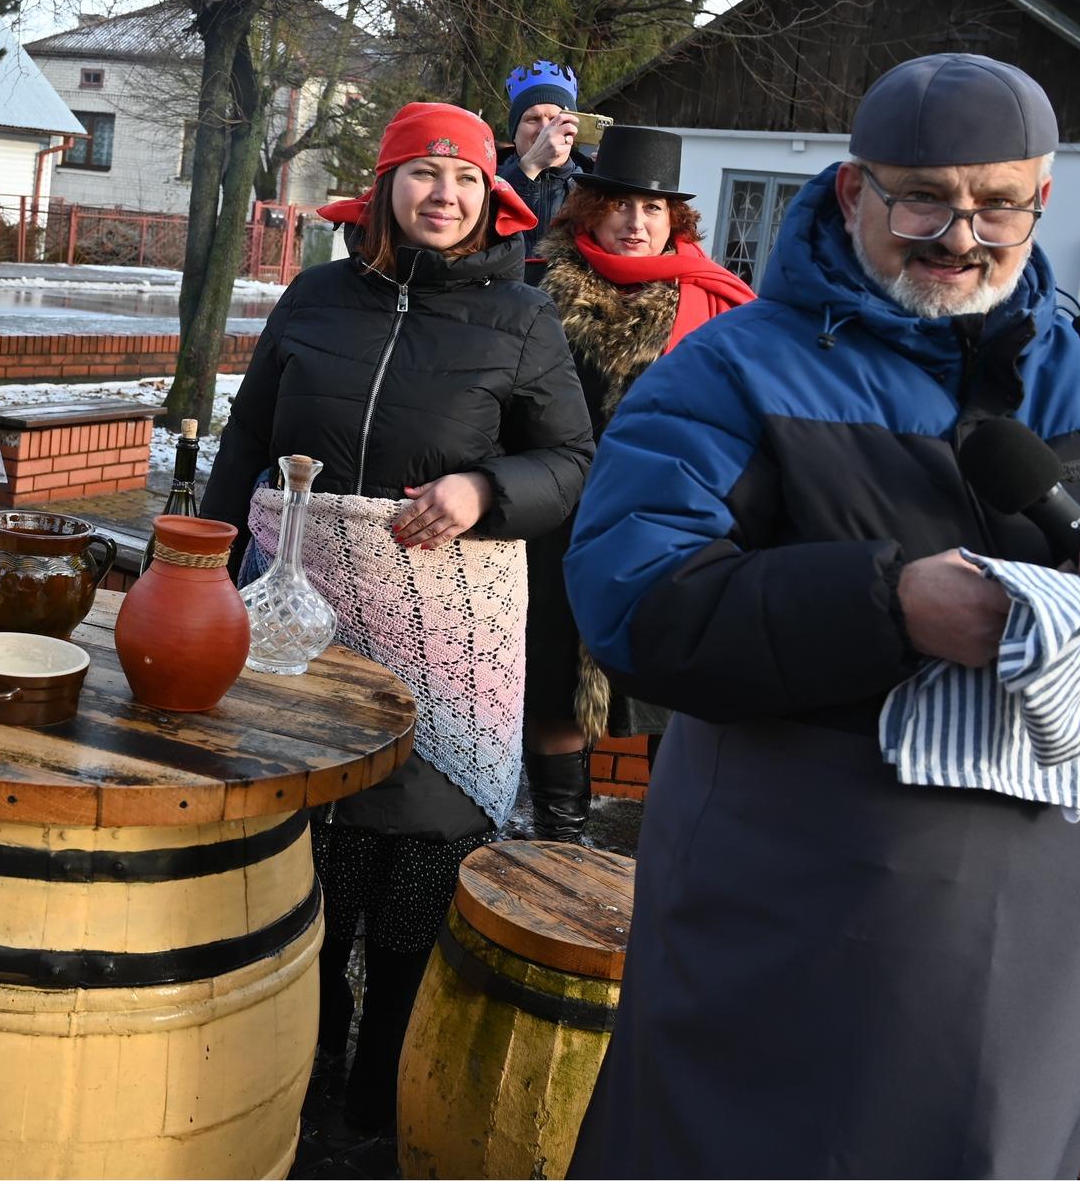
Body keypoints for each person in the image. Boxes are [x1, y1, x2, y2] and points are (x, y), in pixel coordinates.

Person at [562, 53, 1080, 1178]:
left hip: (1058, 919)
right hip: (794, 892)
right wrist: (887, 605)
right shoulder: (727, 373)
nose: (960, 238)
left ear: (1041, 200)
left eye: (997, 204)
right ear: (852, 191)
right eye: (922, 198)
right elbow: (629, 600)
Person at [202, 101, 593, 1132]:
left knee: (416, 870)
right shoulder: (314, 298)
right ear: (383, 188)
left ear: (489, 198)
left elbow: (570, 461)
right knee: (310, 864)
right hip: (300, 627)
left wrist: (482, 489)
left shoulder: (521, 317)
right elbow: (246, 442)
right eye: (423, 172)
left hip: (445, 640)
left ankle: (384, 1089)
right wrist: (195, 565)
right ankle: (295, 1070)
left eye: (465, 179)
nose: (443, 194)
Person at [520, 126, 753, 841]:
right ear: (589, 209)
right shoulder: (536, 290)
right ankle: (560, 836)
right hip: (558, 521)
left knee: (670, 695)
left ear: (673, 219)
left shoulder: (714, 302)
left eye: (653, 208)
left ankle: (668, 845)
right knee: (556, 687)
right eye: (620, 204)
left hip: (670, 527)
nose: (636, 221)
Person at [498, 60, 591, 281]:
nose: (545, 129)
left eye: (555, 119)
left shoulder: (591, 185)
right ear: (514, 132)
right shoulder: (487, 179)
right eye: (532, 119)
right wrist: (529, 167)